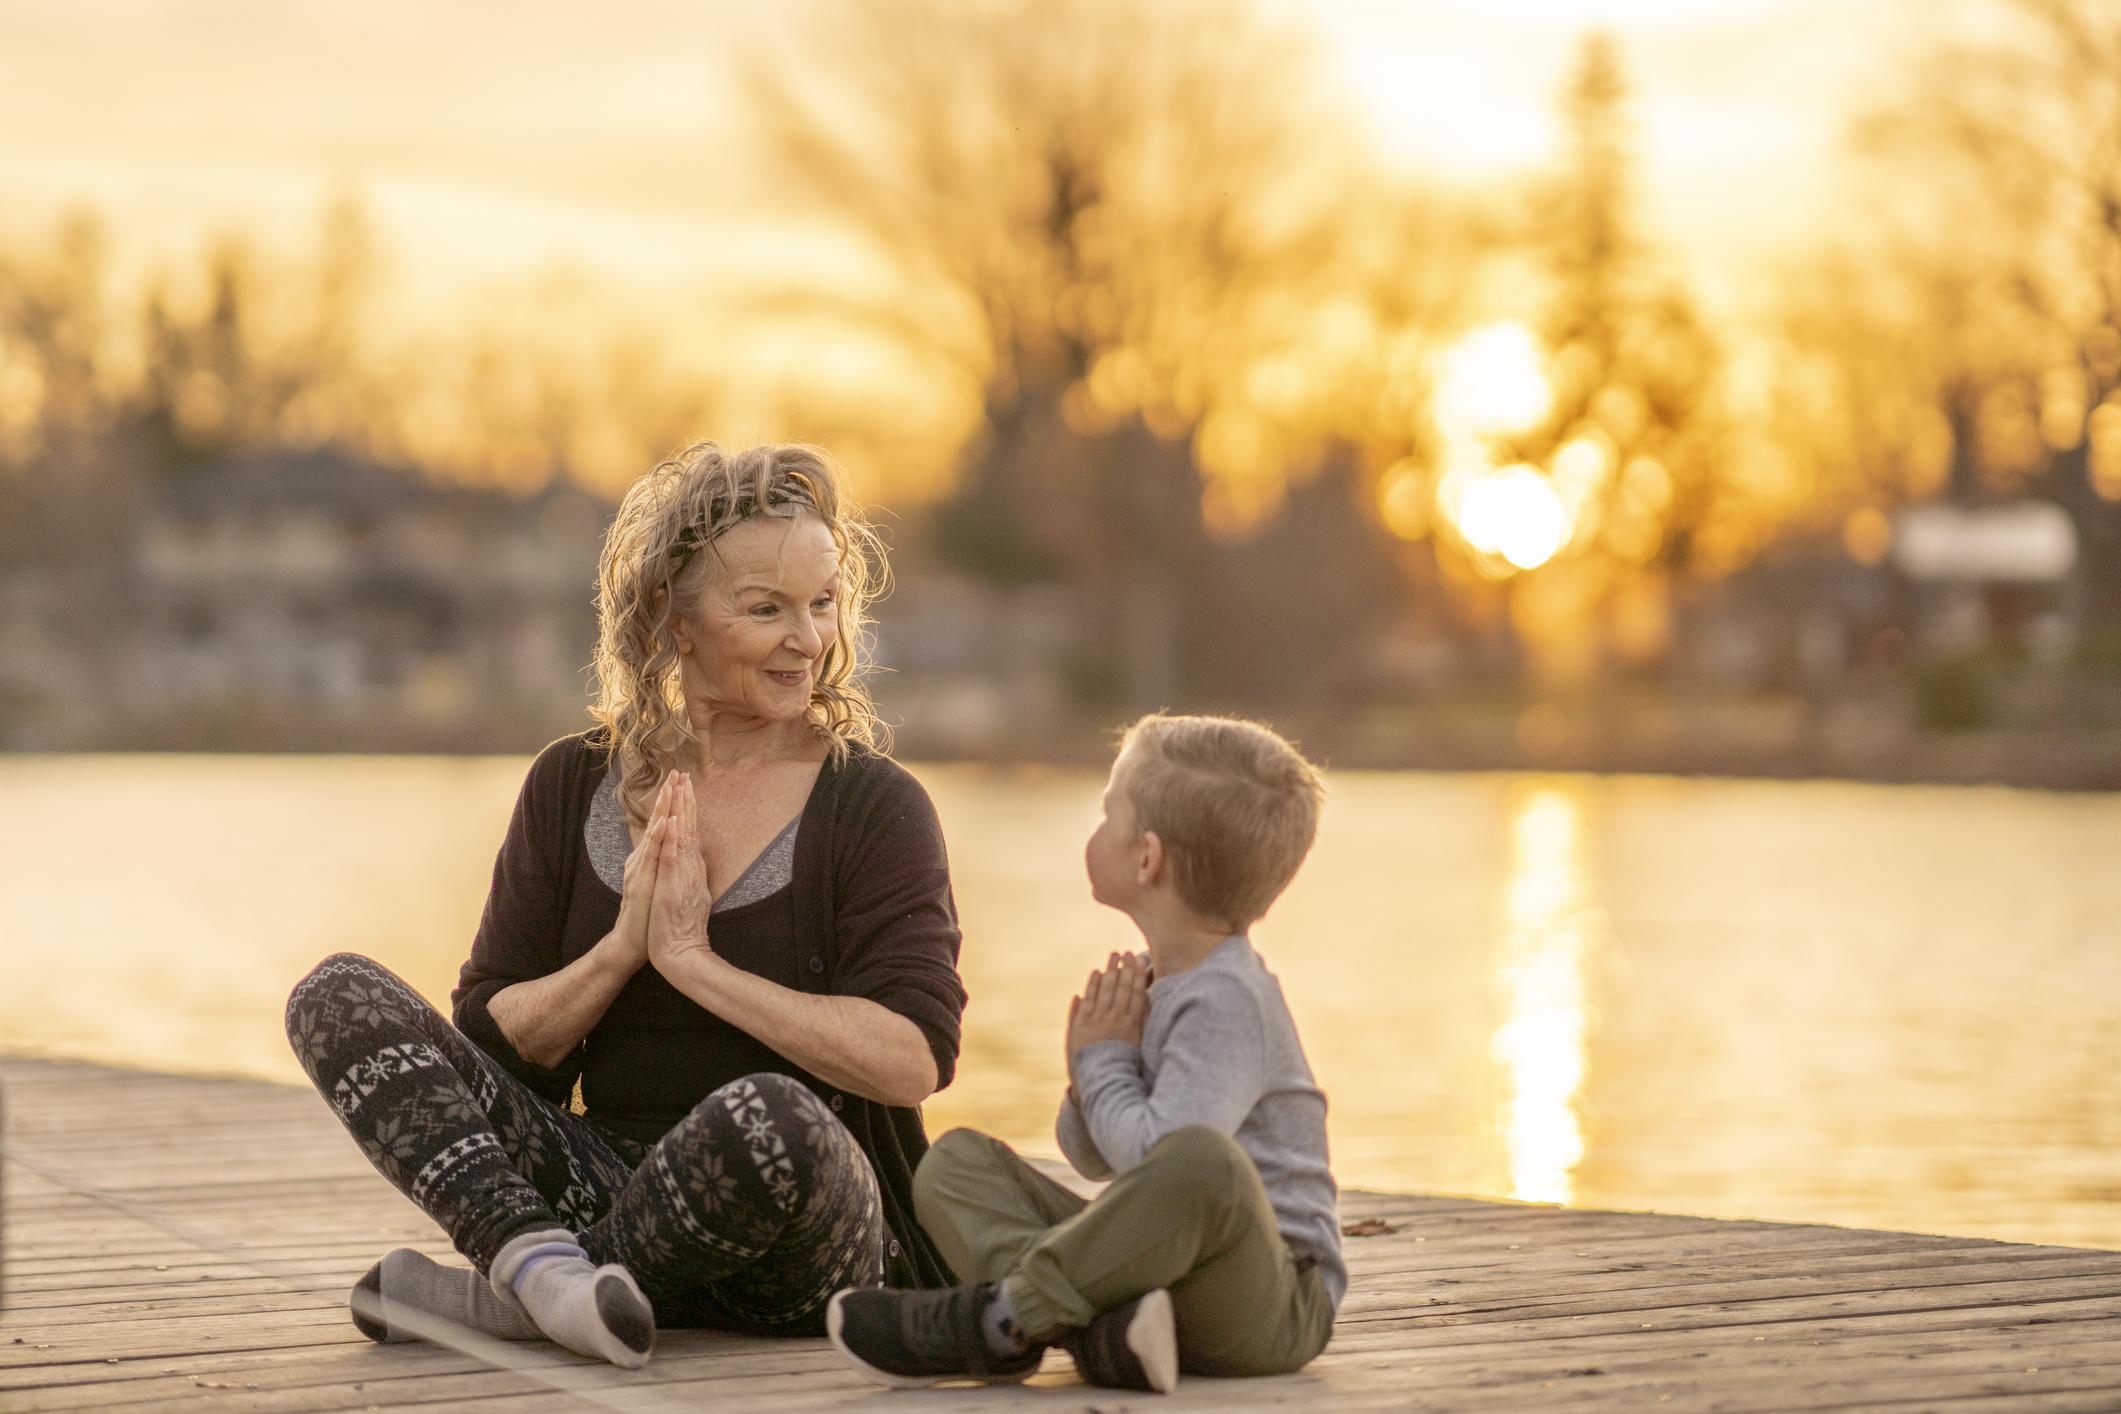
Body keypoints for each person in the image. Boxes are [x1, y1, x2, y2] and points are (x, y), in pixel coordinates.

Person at [284, 442, 968, 1367]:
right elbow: (490, 1041)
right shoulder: (572, 784)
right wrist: (620, 953)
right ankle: (545, 1266)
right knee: (337, 995)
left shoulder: (874, 806)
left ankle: (521, 1300)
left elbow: (911, 1060)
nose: (806, 638)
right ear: (672, 618)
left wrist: (698, 966)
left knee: (773, 1115)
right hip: (601, 1179)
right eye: (764, 608)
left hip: (805, 1232)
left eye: (821, 601)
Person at [826, 713, 1343, 1394]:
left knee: (1202, 1160)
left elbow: (1152, 1157)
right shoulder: (1157, 983)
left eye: (1108, 813)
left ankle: (1003, 1320)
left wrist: (1104, 1063)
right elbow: (1094, 1156)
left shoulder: (1228, 1000)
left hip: (1269, 1301)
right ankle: (1103, 1333)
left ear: (1146, 859)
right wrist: (1088, 1078)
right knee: (954, 1163)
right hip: (1170, 1281)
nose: (1094, 828)